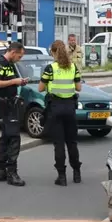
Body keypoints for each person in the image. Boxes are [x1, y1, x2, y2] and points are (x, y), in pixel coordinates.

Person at [39, 40, 82, 186]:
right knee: (72, 142)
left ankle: (61, 177)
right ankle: (77, 174)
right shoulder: (73, 67)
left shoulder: (50, 68)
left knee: (59, 144)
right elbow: (78, 87)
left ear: (52, 52)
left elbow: (40, 88)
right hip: (70, 108)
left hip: (55, 108)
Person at [0, 42, 27, 186]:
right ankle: (12, 173)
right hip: (6, 104)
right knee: (14, 138)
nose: (20, 58)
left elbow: (9, 82)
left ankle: (0, 171)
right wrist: (14, 81)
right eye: (19, 55)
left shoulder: (10, 64)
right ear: (13, 52)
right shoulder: (0, 64)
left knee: (5, 137)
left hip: (11, 102)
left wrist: (18, 83)